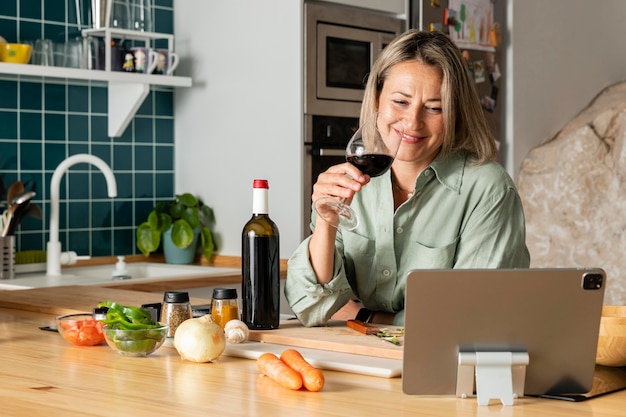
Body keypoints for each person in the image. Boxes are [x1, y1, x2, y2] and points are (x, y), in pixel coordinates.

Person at [285, 30, 530, 327]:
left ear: (454, 113)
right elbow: (312, 307)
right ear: (378, 99)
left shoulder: (488, 190)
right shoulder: (349, 184)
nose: (413, 122)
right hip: (358, 356)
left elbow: (472, 319)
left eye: (434, 108)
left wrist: (366, 316)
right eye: (400, 102)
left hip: (447, 367)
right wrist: (325, 223)